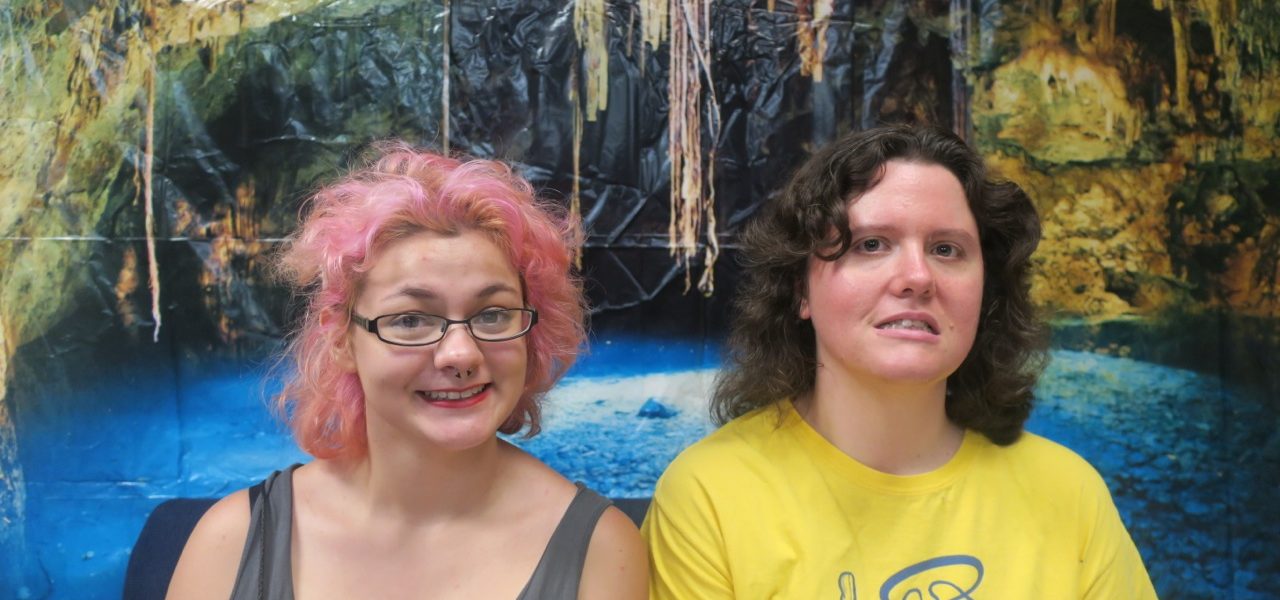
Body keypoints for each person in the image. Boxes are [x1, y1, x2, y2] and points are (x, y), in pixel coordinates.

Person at [642, 125, 1157, 598]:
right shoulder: (709, 498)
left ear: (987, 292)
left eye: (946, 249)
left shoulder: (1069, 492)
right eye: (871, 244)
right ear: (799, 290)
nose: (917, 277)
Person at [168, 143, 647, 599]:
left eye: (493, 314)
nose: (460, 354)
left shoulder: (600, 553)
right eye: (411, 320)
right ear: (341, 340)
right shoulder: (230, 543)